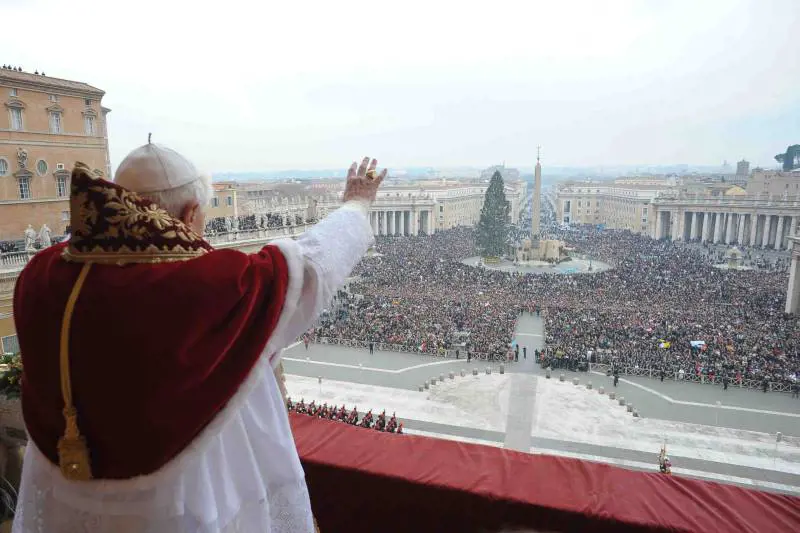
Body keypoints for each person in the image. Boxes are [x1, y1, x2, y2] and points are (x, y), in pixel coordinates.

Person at [12, 144, 386, 532]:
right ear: (190, 214)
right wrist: (355, 206)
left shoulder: (41, 276)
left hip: (66, 498)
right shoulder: (205, 288)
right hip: (169, 506)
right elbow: (307, 267)